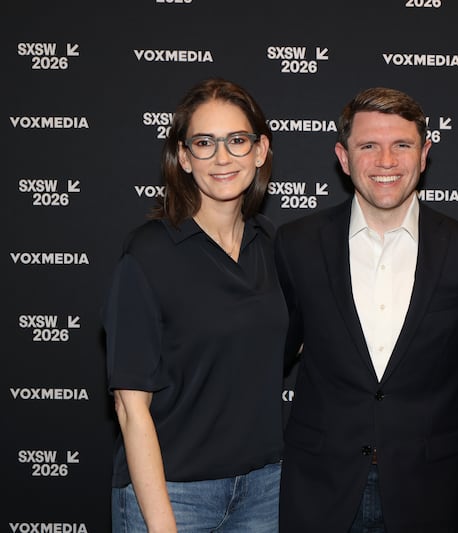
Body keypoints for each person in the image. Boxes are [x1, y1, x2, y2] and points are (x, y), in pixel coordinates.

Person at [274, 87, 458, 533]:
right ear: (343, 156)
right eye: (368, 146)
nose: (386, 161)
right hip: (320, 486)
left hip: (427, 487)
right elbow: (278, 349)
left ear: (425, 153)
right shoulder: (297, 243)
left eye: (402, 145)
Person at [103, 78, 286, 532]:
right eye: (204, 143)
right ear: (183, 157)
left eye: (237, 141)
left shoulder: (273, 246)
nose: (222, 158)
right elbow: (131, 407)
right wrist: (163, 524)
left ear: (260, 151)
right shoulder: (148, 253)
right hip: (175, 494)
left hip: (265, 490)